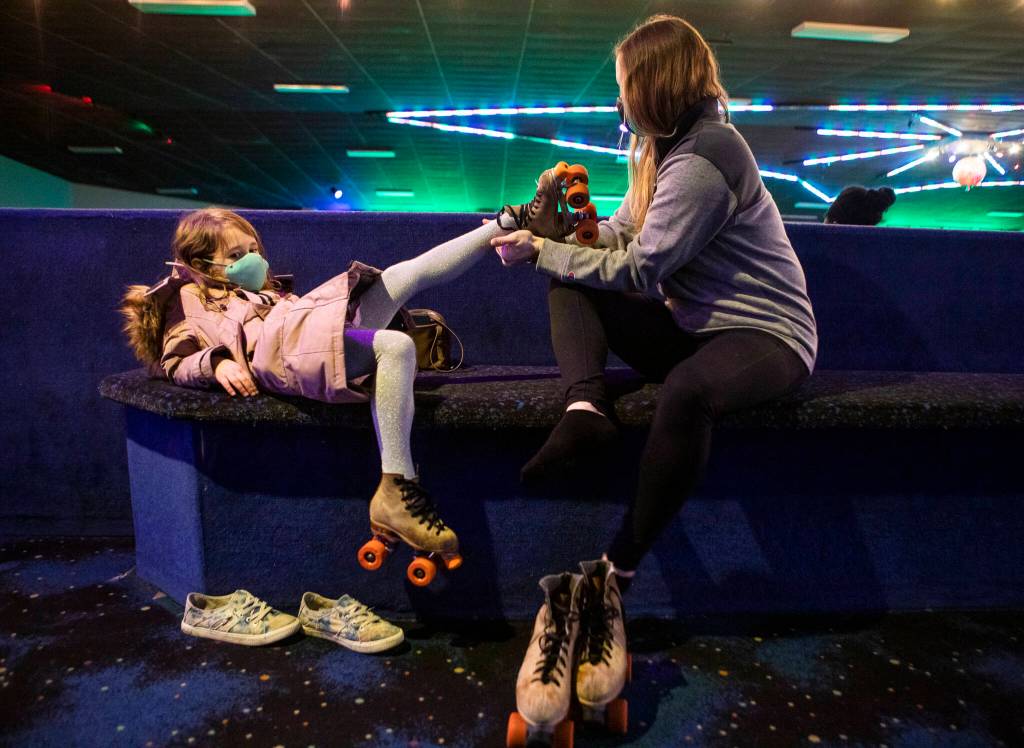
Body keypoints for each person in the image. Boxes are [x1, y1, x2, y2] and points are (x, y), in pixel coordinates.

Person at [491, 14, 819, 586]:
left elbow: (641, 269)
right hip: (696, 329)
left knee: (688, 392)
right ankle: (585, 411)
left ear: (651, 85)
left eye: (622, 87)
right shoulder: (662, 150)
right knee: (572, 280)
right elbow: (620, 232)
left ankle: (616, 570)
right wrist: (551, 239)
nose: (617, 100)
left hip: (767, 337)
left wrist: (542, 252)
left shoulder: (705, 155)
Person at [120, 207, 507, 589]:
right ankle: (397, 487)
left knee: (401, 276)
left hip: (299, 336)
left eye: (253, 250)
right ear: (200, 263)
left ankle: (506, 224)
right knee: (395, 347)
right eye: (236, 256)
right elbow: (175, 360)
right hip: (279, 354)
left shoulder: (265, 291)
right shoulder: (188, 298)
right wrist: (217, 364)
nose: (252, 260)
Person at [824, 185, 896, 225]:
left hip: (836, 232)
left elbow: (830, 216)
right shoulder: (876, 216)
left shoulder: (853, 192)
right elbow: (830, 216)